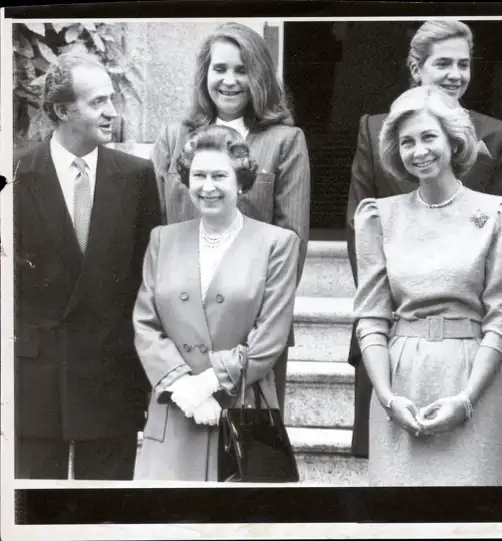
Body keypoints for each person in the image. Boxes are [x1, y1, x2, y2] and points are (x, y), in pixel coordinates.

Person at [345, 19, 502, 459]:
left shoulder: (501, 139)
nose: (455, 74)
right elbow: (361, 237)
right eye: (443, 63)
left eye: (464, 64)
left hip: (468, 345)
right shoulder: (375, 131)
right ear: (415, 66)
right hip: (395, 333)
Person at [13, 52, 161, 479]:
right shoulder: (17, 173)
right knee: (37, 515)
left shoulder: (136, 177)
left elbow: (148, 282)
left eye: (112, 99)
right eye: (99, 102)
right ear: (62, 110)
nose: (112, 111)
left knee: (105, 514)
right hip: (36, 378)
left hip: (111, 376)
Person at [150, 22, 310, 412]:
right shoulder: (174, 138)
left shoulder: (285, 141)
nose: (230, 80)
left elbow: (293, 240)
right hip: (180, 325)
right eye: (220, 69)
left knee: (246, 452)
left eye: (242, 70)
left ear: (260, 77)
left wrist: (255, 327)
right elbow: (155, 230)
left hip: (249, 330)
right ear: (205, 74)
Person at [132, 125, 300, 481]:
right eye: (198, 176)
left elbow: (270, 336)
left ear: (241, 181)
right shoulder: (163, 239)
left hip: (241, 410)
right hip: (175, 410)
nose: (207, 187)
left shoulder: (277, 243)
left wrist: (207, 383)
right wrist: (183, 387)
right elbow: (145, 324)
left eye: (219, 176)